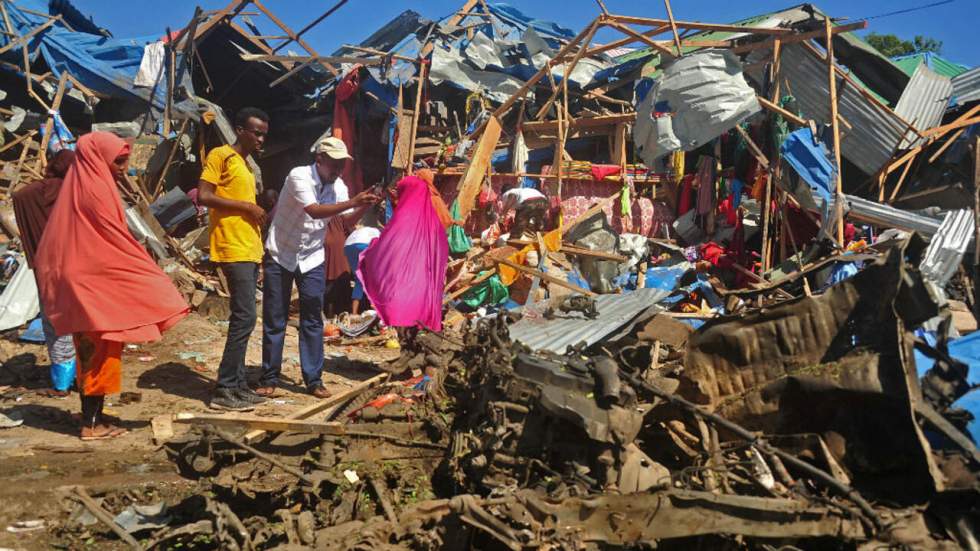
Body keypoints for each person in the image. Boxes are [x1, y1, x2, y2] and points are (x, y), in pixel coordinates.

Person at [33, 132, 189, 440]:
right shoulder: (96, 189)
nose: (122, 168)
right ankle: (92, 425)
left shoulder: (79, 187)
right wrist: (145, 272)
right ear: (97, 159)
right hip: (94, 283)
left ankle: (93, 414)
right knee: (100, 351)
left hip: (82, 281)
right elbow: (113, 237)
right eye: (118, 162)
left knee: (92, 350)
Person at [256, 137, 378, 398]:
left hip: (311, 256)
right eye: (334, 163)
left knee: (313, 318)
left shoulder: (339, 186)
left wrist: (364, 204)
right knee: (275, 317)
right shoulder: (299, 176)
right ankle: (269, 377)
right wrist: (354, 201)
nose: (337, 170)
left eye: (341, 165)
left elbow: (345, 221)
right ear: (320, 159)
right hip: (281, 252)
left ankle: (314, 379)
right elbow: (314, 210)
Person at [197, 107, 269, 411]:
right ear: (240, 130)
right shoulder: (221, 155)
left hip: (249, 248)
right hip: (231, 246)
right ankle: (224, 389)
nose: (261, 139)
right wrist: (245, 207)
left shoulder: (247, 165)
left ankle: (238, 386)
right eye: (257, 132)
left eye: (264, 133)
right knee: (244, 318)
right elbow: (203, 195)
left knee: (247, 318)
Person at [12, 149, 77, 395]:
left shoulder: (34, 193)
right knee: (82, 324)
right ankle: (83, 377)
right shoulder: (76, 192)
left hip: (48, 268)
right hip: (79, 267)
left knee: (55, 322)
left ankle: (62, 382)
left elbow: (18, 195)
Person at [358, 175, 448, 332]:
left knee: (402, 319)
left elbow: (388, 248)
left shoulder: (403, 218)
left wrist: (371, 249)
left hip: (403, 294)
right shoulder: (435, 223)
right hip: (424, 294)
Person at [343, 211, 381, 316]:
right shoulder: (379, 233)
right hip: (363, 244)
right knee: (374, 277)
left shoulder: (367, 230)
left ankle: (354, 313)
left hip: (348, 246)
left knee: (359, 279)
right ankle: (375, 308)